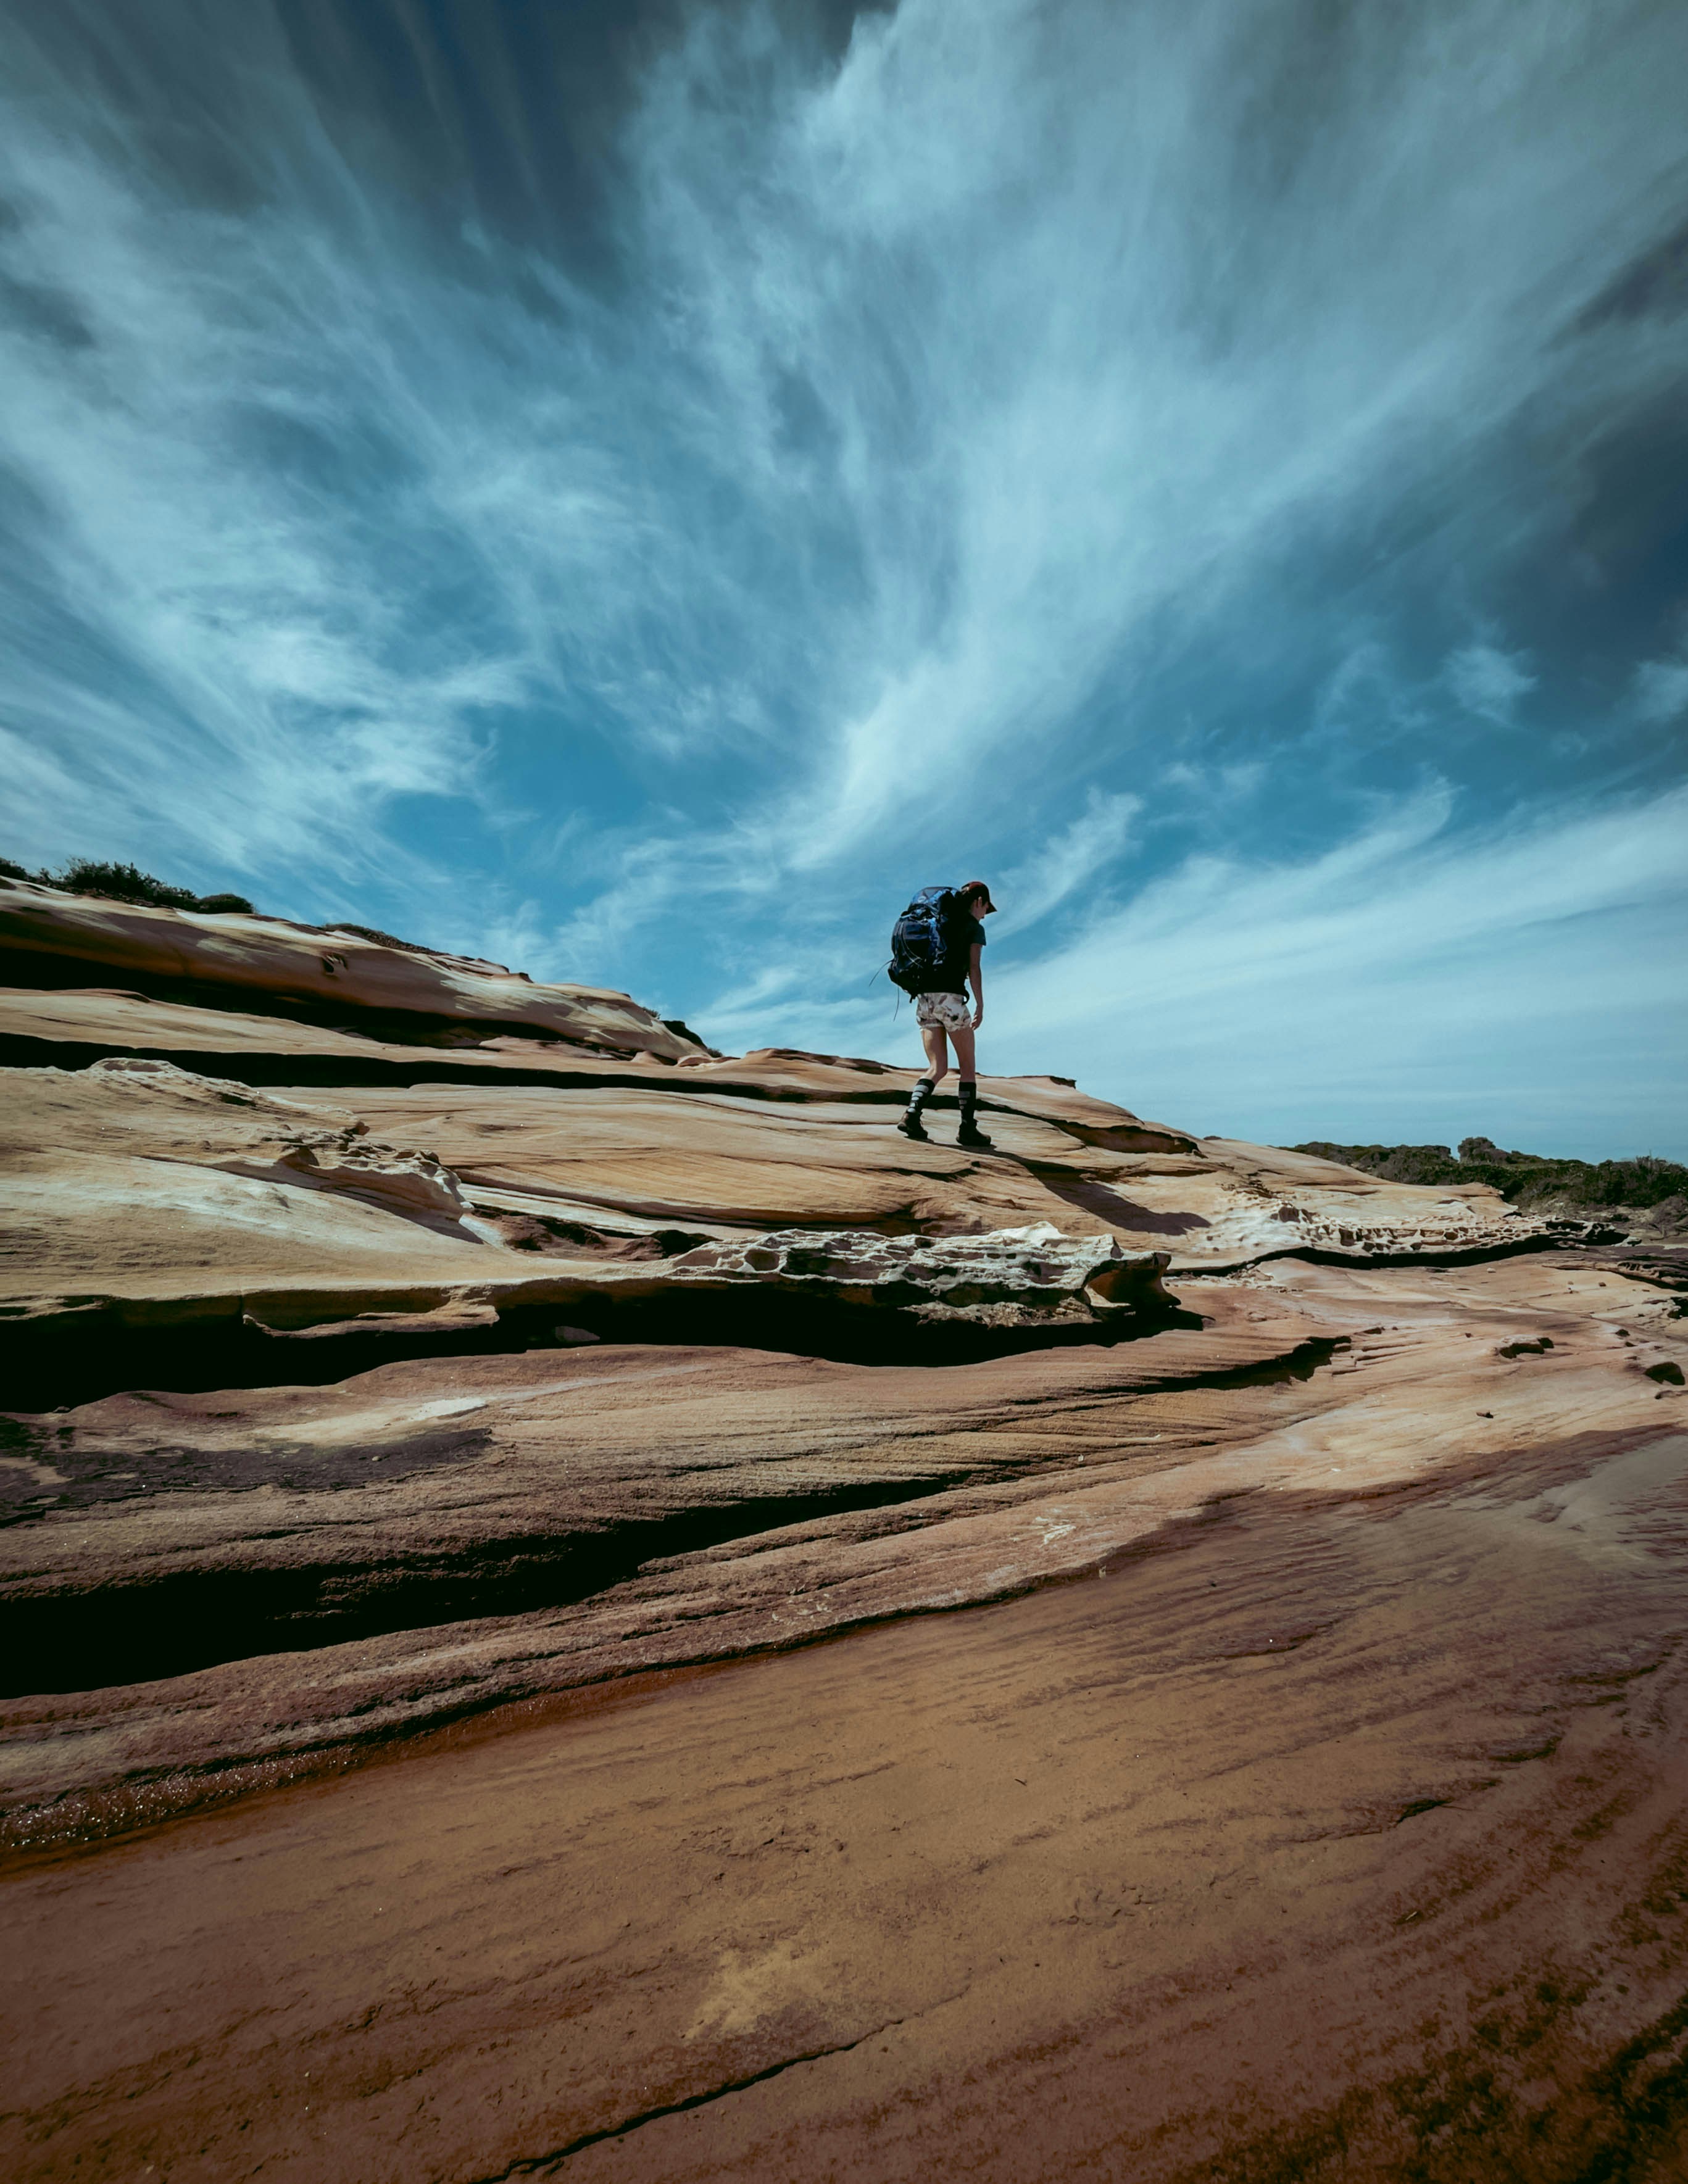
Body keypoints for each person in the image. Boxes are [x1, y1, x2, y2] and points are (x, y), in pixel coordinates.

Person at [897, 879, 997, 1148]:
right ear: (979, 901)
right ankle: (967, 1129)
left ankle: (912, 1115)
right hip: (950, 1001)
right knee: (967, 1068)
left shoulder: (939, 923)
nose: (985, 914)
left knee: (937, 1067)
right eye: (986, 908)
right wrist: (980, 1004)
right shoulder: (974, 928)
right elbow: (974, 968)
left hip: (924, 1001)